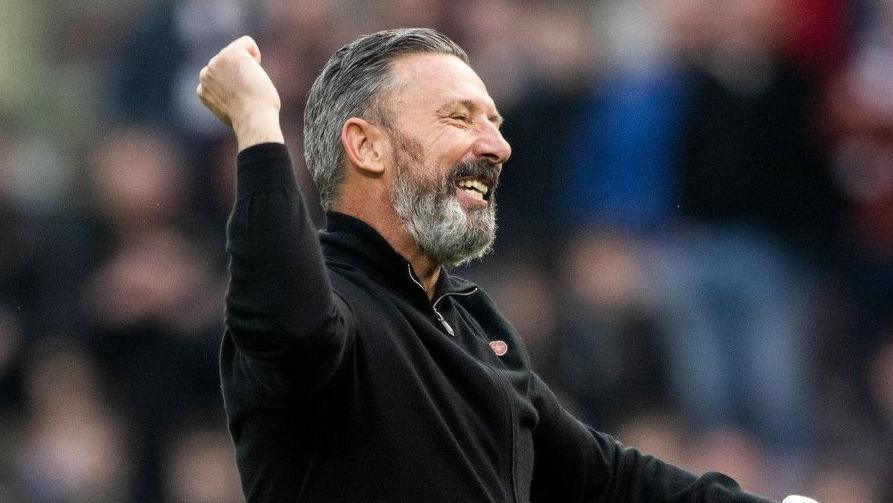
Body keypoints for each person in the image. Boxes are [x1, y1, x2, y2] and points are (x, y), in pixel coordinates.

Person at [197, 28, 777, 502]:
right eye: (459, 118)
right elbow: (287, 320)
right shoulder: (326, 307)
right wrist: (256, 122)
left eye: (494, 123)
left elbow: (604, 478)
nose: (497, 145)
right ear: (367, 147)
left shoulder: (476, 320)